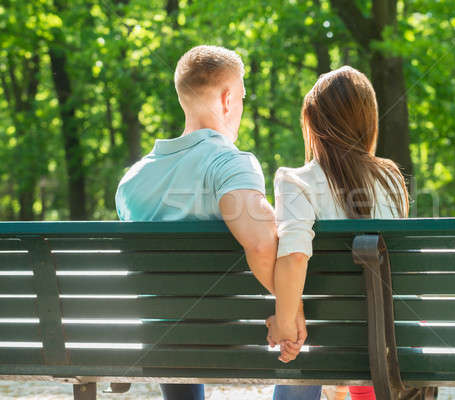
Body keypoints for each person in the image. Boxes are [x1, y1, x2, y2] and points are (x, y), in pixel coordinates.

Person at [115, 45, 304, 400]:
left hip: (159, 344)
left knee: (172, 327)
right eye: (243, 97)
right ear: (228, 98)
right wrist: (289, 311)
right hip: (231, 337)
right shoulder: (228, 164)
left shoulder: (132, 181)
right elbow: (263, 242)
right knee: (309, 338)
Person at [266, 66, 410, 400]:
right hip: (387, 338)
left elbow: (294, 254)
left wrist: (286, 324)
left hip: (323, 337)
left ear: (313, 123)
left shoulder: (295, 181)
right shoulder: (391, 179)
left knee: (302, 351)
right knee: (361, 333)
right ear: (368, 123)